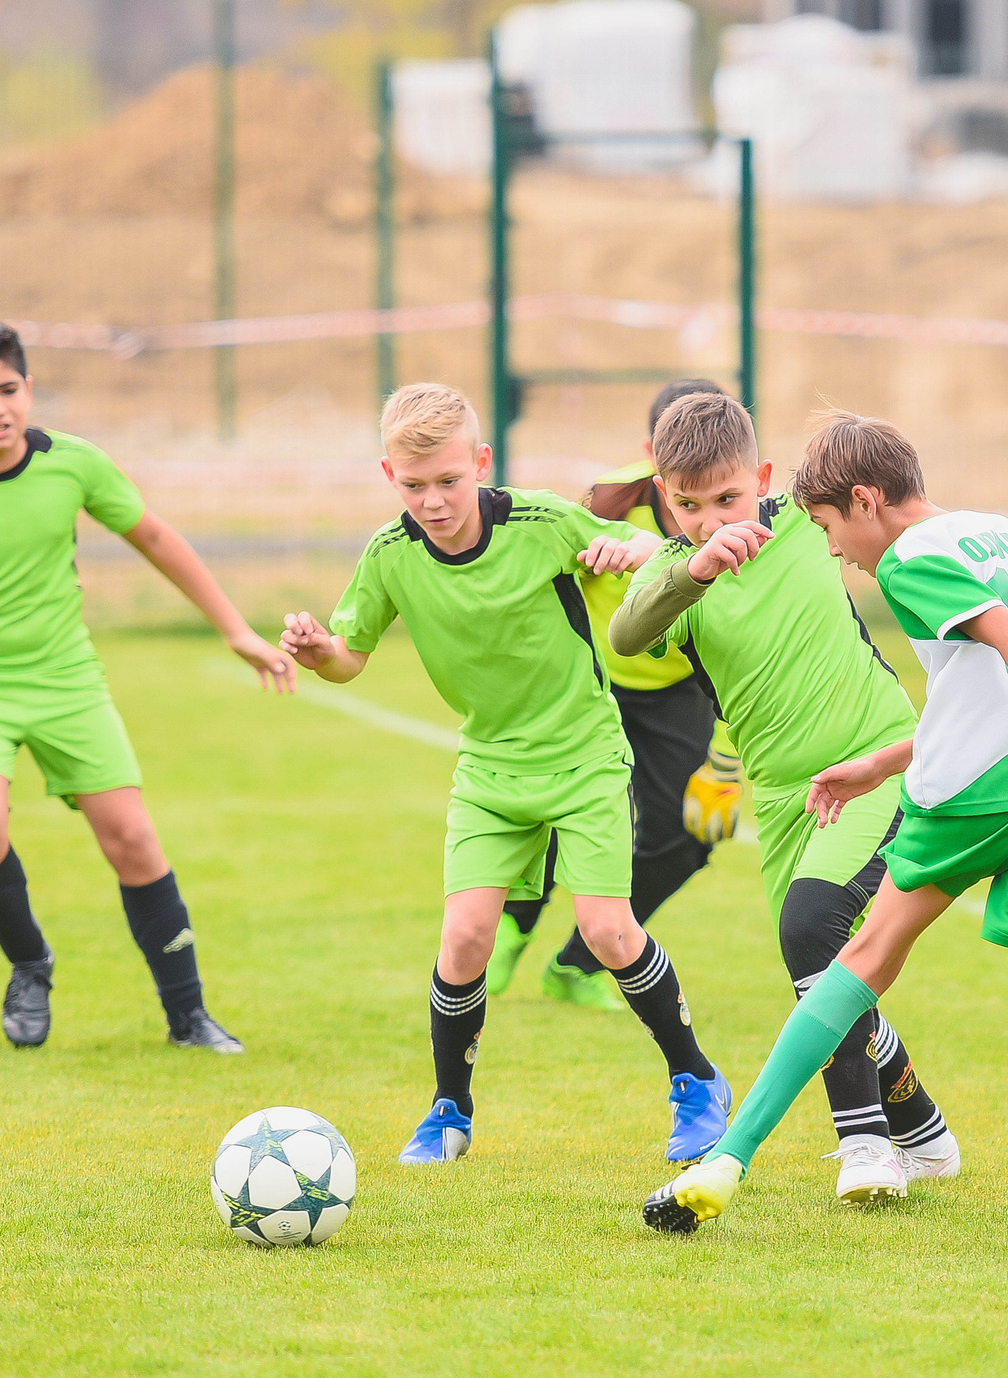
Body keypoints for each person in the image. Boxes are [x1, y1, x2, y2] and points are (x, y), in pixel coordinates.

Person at [641, 410, 1008, 1268]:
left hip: (983, 795)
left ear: (865, 501)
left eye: (834, 530)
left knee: (858, 959)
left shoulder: (910, 557)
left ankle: (726, 1163)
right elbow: (994, 678)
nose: (838, 553)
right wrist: (881, 762)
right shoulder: (1001, 535)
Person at [279, 382, 731, 1166]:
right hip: (489, 765)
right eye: (414, 485)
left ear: (480, 464)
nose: (434, 500)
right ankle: (448, 1109)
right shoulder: (389, 555)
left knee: (607, 930)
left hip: (585, 753)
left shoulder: (542, 521)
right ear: (390, 475)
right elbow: (351, 655)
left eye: (449, 481)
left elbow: (650, 552)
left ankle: (696, 1078)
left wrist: (623, 550)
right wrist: (322, 653)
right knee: (464, 939)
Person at [0, 318, 285, 1053]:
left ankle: (188, 1015)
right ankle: (31, 963)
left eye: (7, 389)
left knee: (131, 837)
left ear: (28, 389)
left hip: (66, 678)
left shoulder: (73, 464)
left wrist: (234, 629)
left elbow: (154, 536)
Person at [609, 390, 961, 1205]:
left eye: (728, 499)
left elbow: (890, 512)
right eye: (689, 505)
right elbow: (626, 634)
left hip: (874, 769)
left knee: (813, 928)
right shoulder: (678, 577)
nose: (712, 520)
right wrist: (690, 567)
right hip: (783, 801)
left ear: (761, 480)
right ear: (666, 497)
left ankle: (865, 1140)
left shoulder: (807, 524)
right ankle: (922, 1125)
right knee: (826, 973)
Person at [489, 378, 742, 1010]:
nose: (705, 504)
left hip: (680, 690)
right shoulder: (607, 500)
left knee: (688, 839)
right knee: (552, 807)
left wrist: (729, 763)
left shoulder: (751, 519)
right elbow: (544, 571)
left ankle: (579, 963)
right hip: (593, 687)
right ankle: (513, 927)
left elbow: (753, 644)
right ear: (653, 461)